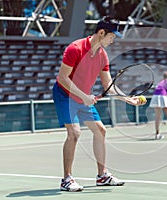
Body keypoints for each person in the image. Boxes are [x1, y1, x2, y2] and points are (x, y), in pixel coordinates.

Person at [52, 16, 145, 192]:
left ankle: (102, 176)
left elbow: (108, 86)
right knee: (74, 133)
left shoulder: (102, 55)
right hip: (65, 94)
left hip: (82, 97)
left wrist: (128, 99)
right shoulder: (75, 48)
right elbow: (63, 78)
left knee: (101, 130)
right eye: (112, 36)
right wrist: (83, 96)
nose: (113, 40)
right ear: (101, 32)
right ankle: (66, 179)